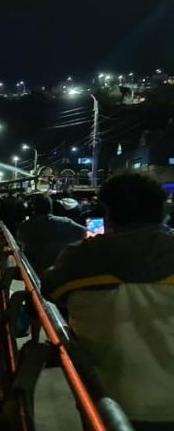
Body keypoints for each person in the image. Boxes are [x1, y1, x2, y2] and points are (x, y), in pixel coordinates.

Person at [42, 173, 174, 428]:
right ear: (161, 211)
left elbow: (49, 289)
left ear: (108, 212)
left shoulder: (79, 259)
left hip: (110, 402)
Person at [16, 193, 85, 276]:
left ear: (33, 208)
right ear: (50, 207)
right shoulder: (65, 222)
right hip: (59, 270)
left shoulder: (25, 226)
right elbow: (86, 233)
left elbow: (19, 240)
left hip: (34, 272)